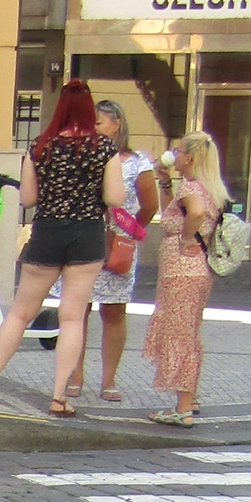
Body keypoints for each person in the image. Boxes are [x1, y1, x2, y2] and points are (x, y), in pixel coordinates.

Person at [0, 79, 126, 416]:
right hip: (87, 233)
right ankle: (58, 396)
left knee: (21, 312)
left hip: (47, 230)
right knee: (71, 317)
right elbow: (114, 198)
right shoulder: (104, 149)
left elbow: (28, 198)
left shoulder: (40, 146)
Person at [146, 131, 227, 427]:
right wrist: (165, 181)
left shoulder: (192, 187)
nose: (173, 154)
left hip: (182, 269)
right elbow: (174, 210)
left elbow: (194, 212)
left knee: (179, 336)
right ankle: (189, 397)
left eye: (178, 152)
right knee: (189, 333)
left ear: (189, 158)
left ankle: (182, 408)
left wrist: (184, 238)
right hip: (197, 270)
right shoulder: (206, 186)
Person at [89, 100, 159, 401]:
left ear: (117, 123)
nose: (93, 129)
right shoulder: (86, 156)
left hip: (119, 244)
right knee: (76, 310)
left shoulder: (137, 161)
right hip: (86, 239)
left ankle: (108, 380)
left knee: (114, 311)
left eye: (98, 123)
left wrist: (130, 233)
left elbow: (151, 204)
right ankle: (73, 376)